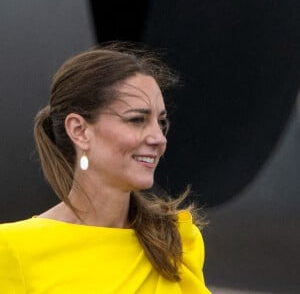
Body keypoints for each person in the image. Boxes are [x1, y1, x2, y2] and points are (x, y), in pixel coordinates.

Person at [0, 42, 211, 293]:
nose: (159, 138)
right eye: (137, 120)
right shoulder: (13, 249)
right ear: (79, 130)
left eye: (161, 122)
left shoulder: (179, 241)